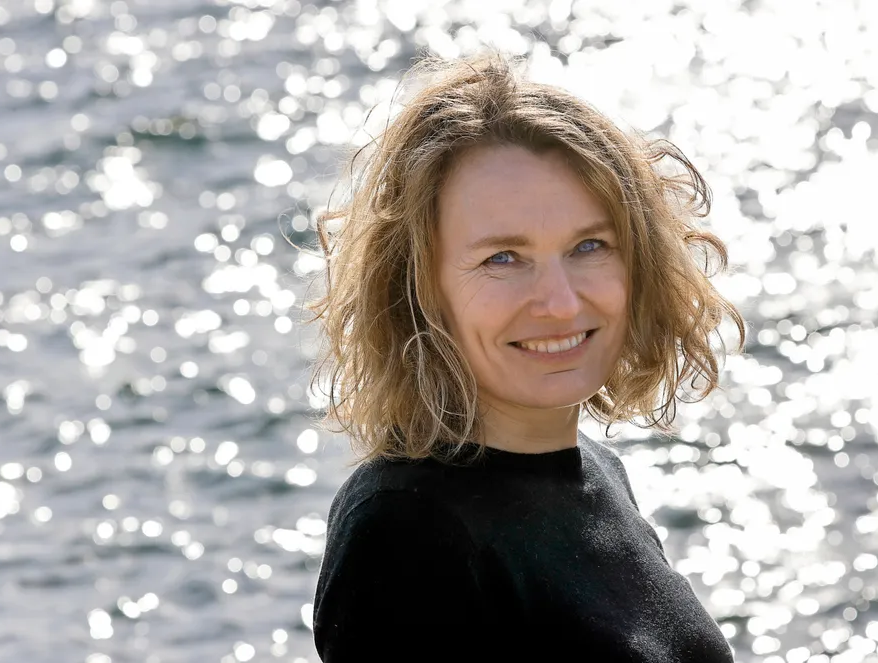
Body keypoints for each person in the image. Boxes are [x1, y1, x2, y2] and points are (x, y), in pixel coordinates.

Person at [303, 51, 745, 662]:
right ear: (419, 286)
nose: (561, 303)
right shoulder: (407, 529)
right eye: (503, 258)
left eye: (590, 245)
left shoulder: (595, 473)